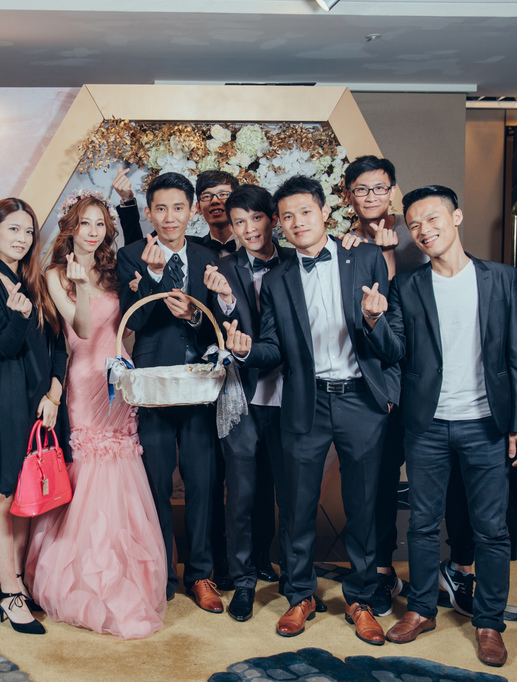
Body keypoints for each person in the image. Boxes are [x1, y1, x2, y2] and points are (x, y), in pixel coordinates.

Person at [363, 185, 517, 668]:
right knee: (421, 523)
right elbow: (394, 351)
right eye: (414, 224)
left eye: (433, 218)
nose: (423, 230)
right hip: (427, 425)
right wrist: (374, 322)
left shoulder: (500, 277)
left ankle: (489, 623)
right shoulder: (407, 285)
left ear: (456, 217)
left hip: (486, 424)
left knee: (491, 529)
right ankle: (420, 610)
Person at [228, 175, 398, 645]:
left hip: (361, 400)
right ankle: (300, 594)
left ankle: (361, 599)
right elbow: (272, 346)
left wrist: (375, 321)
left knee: (362, 506)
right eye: (287, 216)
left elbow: (394, 341)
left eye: (305, 211)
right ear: (279, 224)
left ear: (325, 212)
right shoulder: (277, 279)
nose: (297, 222)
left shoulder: (365, 257)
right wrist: (246, 350)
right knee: (298, 506)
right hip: (306, 400)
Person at [25, 191, 167, 639]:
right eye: (84, 223)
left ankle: (125, 571)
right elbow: (83, 330)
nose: (92, 231)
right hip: (84, 380)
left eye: (99, 224)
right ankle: (86, 578)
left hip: (118, 379)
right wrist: (82, 288)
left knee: (123, 464)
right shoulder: (55, 274)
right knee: (90, 467)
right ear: (70, 228)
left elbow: (127, 325)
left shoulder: (113, 269)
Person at [341, 155, 477, 618]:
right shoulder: (342, 244)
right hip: (377, 380)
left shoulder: (421, 230)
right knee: (379, 479)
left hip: (429, 379)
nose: (372, 196)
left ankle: (460, 565)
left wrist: (389, 253)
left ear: (392, 190)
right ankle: (382, 570)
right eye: (362, 189)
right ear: (348, 196)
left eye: (380, 187)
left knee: (456, 476)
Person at [116, 172, 222, 614]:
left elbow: (217, 322)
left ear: (192, 211)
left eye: (178, 207)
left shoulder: (208, 256)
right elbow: (133, 322)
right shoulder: (130, 256)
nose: (170, 217)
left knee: (202, 482)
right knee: (156, 483)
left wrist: (194, 318)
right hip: (153, 386)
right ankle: (161, 573)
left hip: (198, 387)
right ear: (148, 213)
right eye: (160, 208)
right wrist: (155, 278)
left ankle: (200, 573)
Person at [202, 184, 296, 622]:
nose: (248, 229)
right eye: (238, 222)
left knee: (289, 492)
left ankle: (292, 580)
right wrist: (224, 299)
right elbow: (217, 329)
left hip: (290, 393)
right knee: (240, 492)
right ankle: (243, 582)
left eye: (255, 218)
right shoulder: (222, 267)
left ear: (272, 219)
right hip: (242, 394)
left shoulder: (296, 261)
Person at [0, 198, 67, 636]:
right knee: (3, 495)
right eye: (13, 229)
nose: (22, 238)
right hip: (5, 398)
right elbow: (5, 346)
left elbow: (60, 345)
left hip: (39, 400)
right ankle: (9, 593)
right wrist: (19, 313)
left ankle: (19, 582)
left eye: (28, 231)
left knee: (28, 497)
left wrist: (54, 394)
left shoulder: (35, 281)